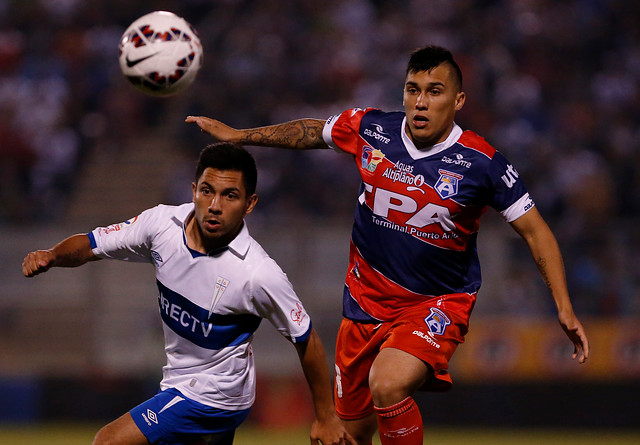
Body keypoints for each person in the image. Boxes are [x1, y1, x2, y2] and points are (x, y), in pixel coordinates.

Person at [185, 45, 590, 445]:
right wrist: (240, 136)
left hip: (434, 304)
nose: (421, 102)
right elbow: (310, 132)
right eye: (413, 89)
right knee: (348, 436)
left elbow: (536, 231)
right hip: (363, 304)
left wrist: (564, 306)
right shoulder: (372, 129)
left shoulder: (483, 163)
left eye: (434, 91)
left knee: (388, 383)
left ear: (458, 99)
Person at [22, 143, 354, 445]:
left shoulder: (258, 272)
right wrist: (52, 256)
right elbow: (91, 245)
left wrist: (325, 416)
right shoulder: (160, 224)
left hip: (215, 396)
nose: (214, 206)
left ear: (250, 204)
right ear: (193, 190)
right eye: (207, 191)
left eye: (230, 195)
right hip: (184, 381)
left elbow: (306, 338)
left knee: (108, 442)